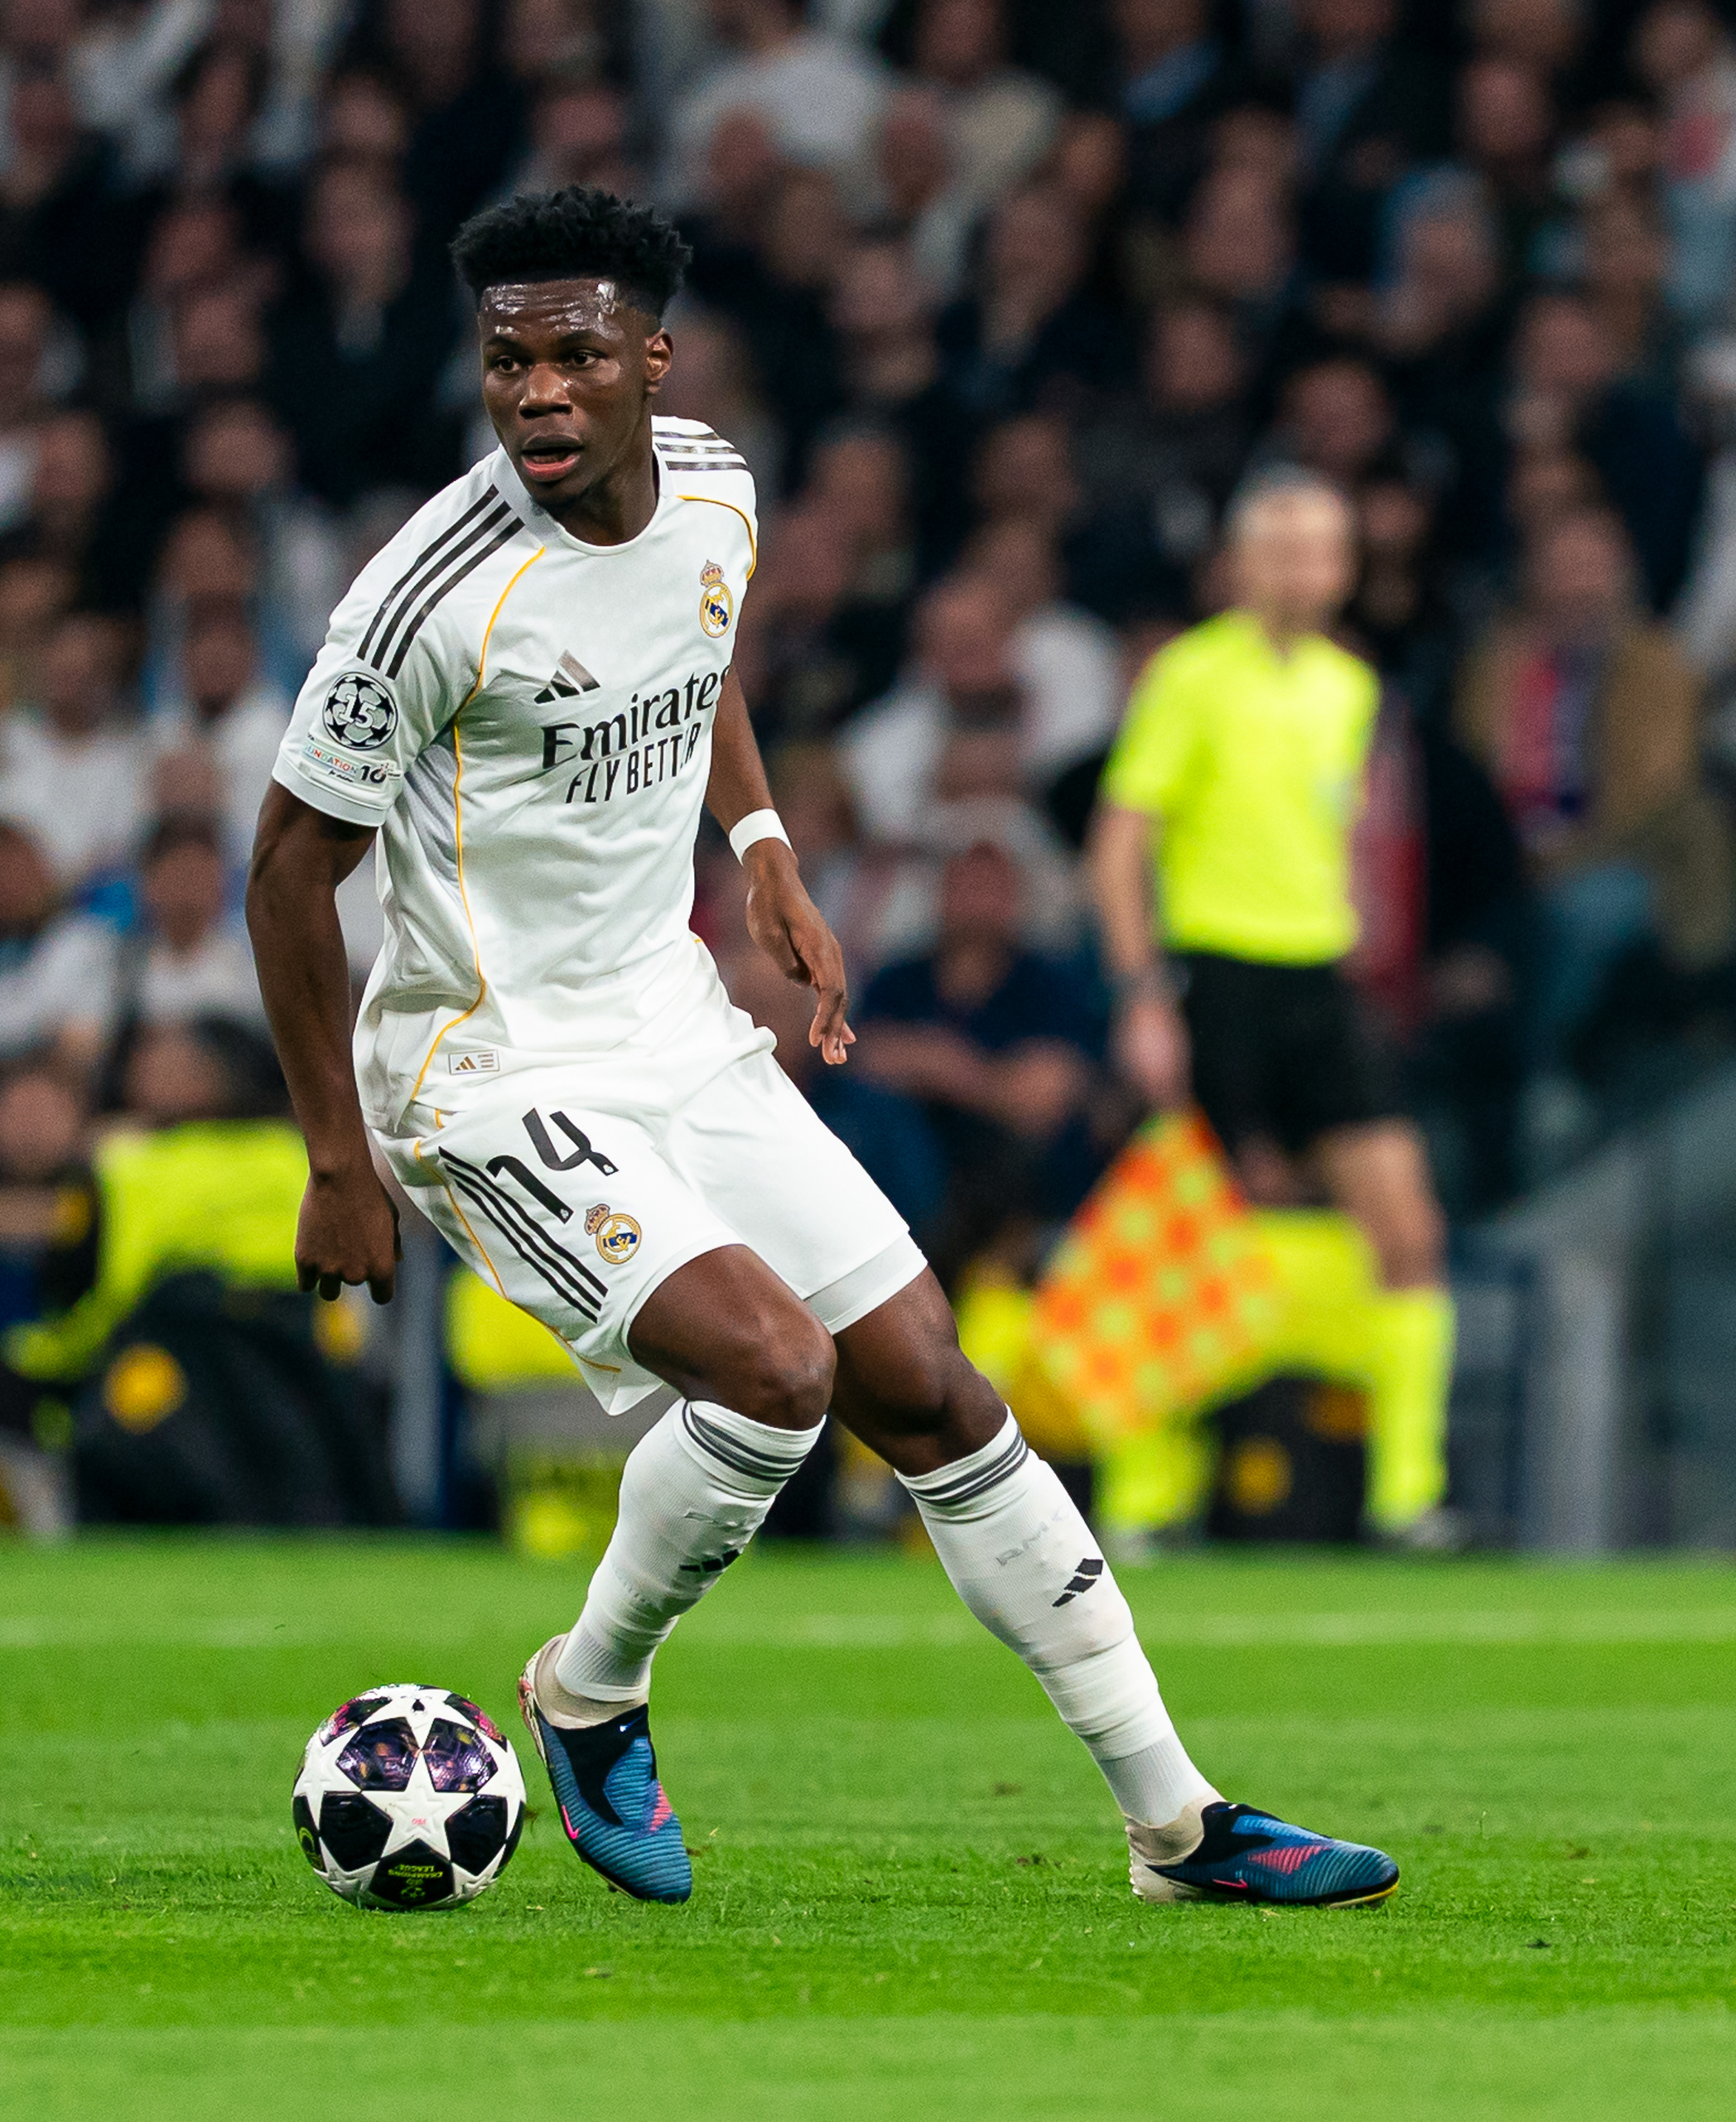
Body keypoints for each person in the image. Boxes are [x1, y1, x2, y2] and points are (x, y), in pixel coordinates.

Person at [245, 188, 1395, 1910]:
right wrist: (337, 1157)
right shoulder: (427, 596)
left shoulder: (716, 488)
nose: (538, 392)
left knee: (933, 1385)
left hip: (674, 1020)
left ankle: (1179, 1826)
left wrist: (765, 843)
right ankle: (589, 1689)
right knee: (773, 1372)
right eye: (507, 361)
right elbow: (286, 868)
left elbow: (696, 657)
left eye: (574, 357)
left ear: (653, 361)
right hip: (490, 1072)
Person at [1087, 471, 1456, 1548]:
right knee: (1181, 1241)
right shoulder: (1191, 677)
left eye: (1320, 550)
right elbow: (1120, 843)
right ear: (1240, 565)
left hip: (1319, 976)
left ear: (1345, 566)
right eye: (1280, 550)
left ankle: (1407, 1496)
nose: (1302, 571)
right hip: (1216, 975)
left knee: (1408, 1230)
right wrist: (1142, 995)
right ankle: (1144, 1502)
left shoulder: (1352, 686)